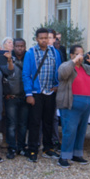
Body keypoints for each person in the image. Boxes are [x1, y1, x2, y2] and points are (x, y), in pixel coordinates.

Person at [57, 44, 90, 167]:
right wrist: (73, 62)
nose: (80, 56)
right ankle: (64, 156)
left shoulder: (87, 68)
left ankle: (77, 154)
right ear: (71, 55)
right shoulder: (66, 65)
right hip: (71, 103)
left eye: (82, 53)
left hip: (86, 104)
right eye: (77, 53)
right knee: (69, 130)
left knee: (82, 131)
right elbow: (62, 74)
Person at [22, 27, 63, 162]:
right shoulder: (30, 53)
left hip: (50, 92)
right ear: (36, 39)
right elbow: (26, 74)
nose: (44, 40)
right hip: (36, 92)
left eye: (46, 38)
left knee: (49, 121)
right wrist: (29, 94)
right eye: (41, 38)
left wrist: (57, 84)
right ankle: (32, 149)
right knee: (34, 122)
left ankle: (48, 148)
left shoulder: (55, 52)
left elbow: (58, 70)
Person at [0, 38, 27, 159]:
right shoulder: (5, 56)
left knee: (23, 124)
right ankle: (11, 148)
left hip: (25, 96)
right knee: (11, 124)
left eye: (22, 46)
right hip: (11, 96)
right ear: (13, 47)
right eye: (17, 46)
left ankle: (21, 147)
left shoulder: (29, 57)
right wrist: (9, 60)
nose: (20, 48)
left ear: (25, 47)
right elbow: (5, 72)